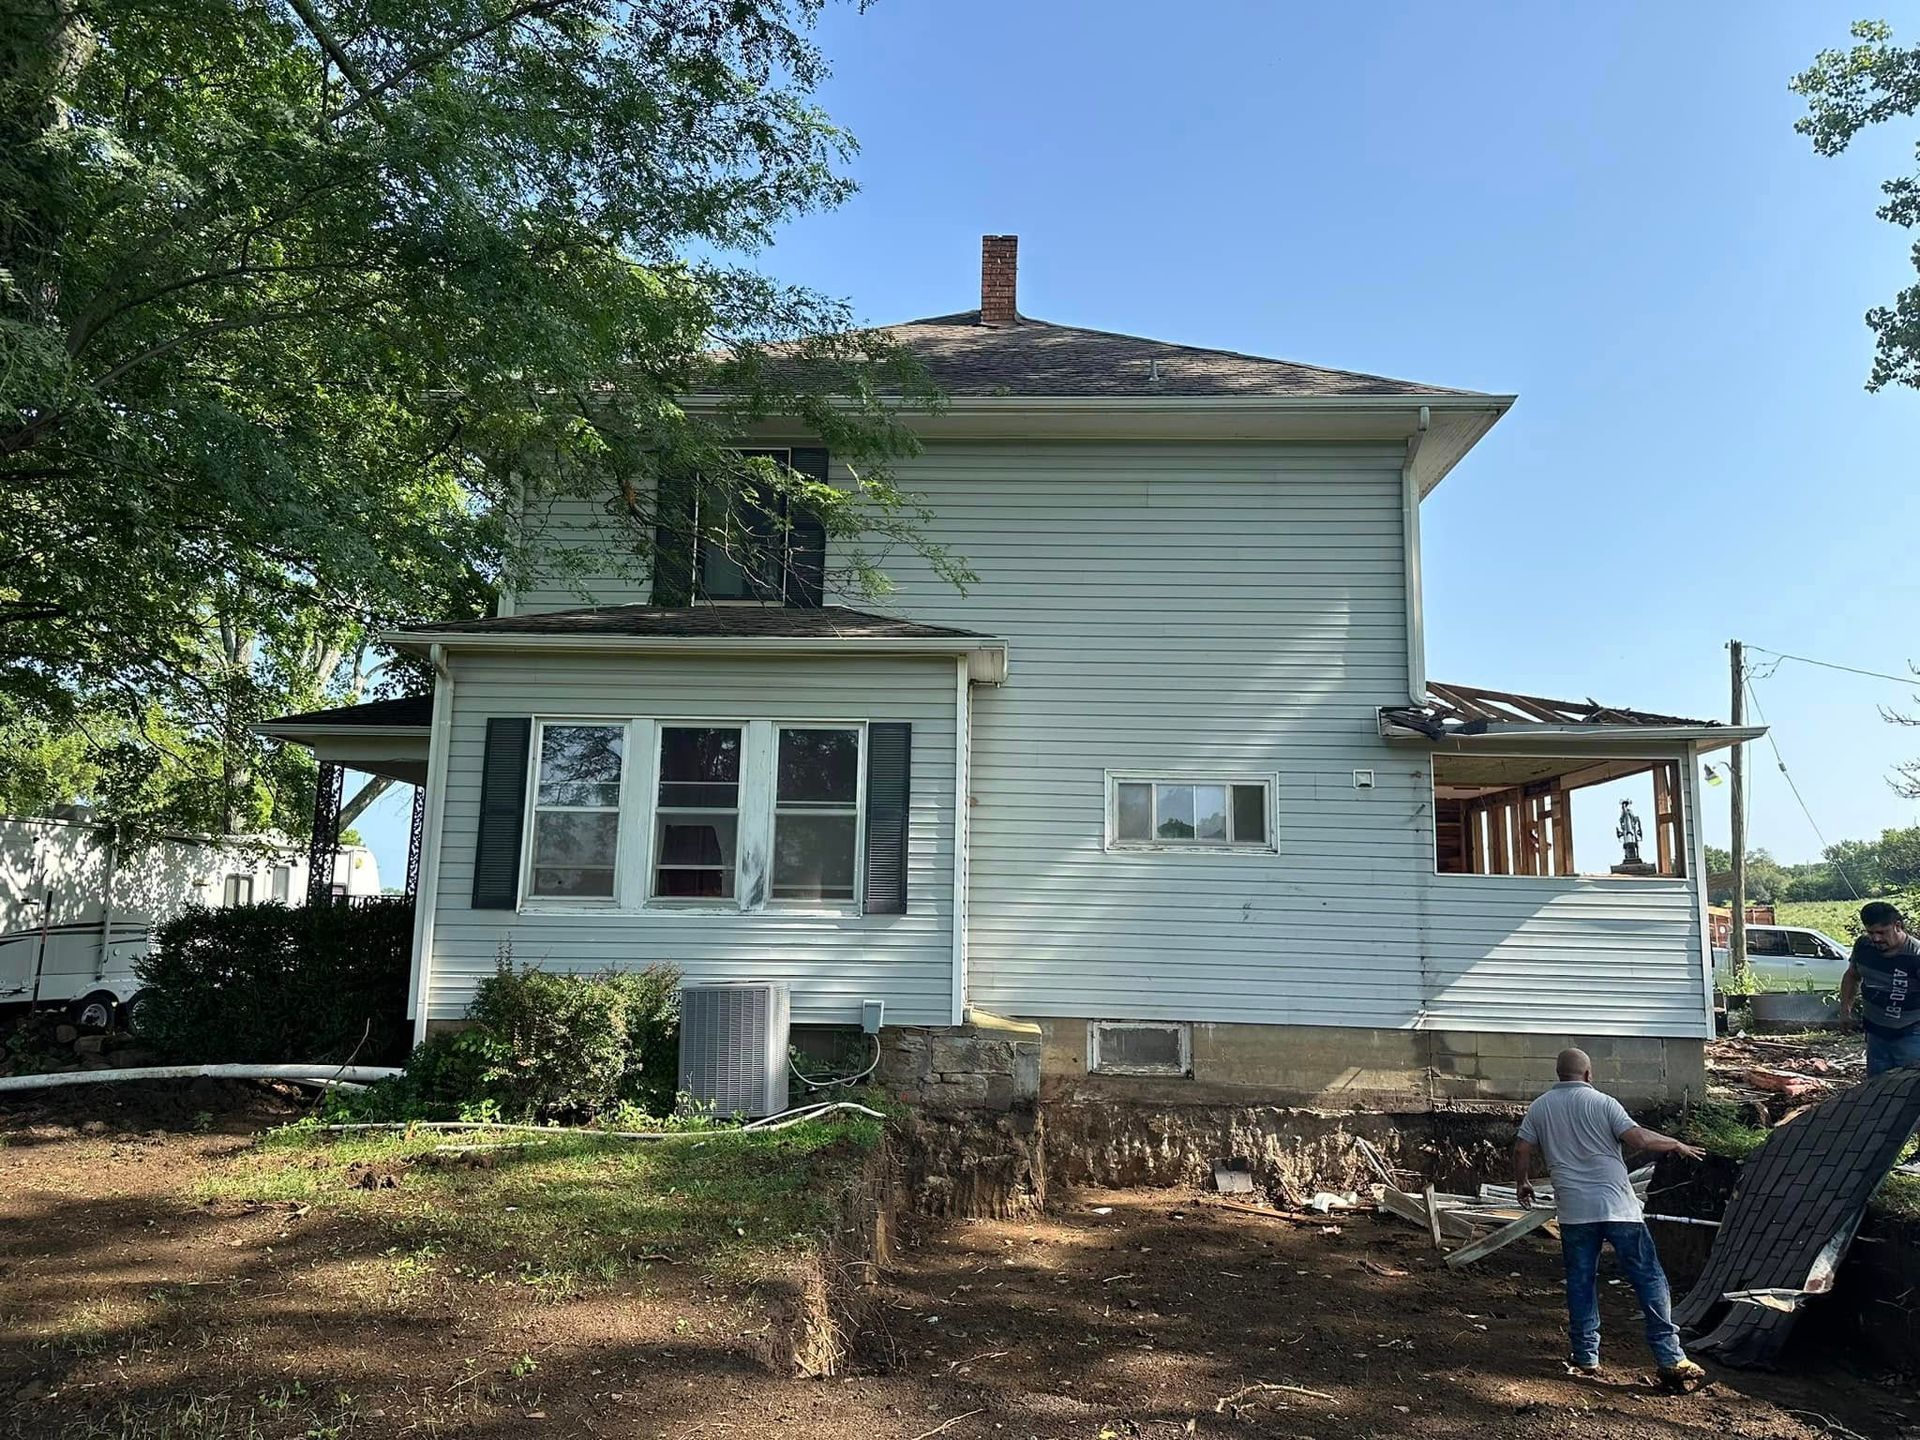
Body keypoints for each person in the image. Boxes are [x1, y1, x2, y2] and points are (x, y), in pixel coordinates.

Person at [1513, 1048, 1708, 1390]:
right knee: (1648, 1278)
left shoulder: (1540, 1107)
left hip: (1574, 1212)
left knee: (1581, 1281)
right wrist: (1676, 1144)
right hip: (1618, 1208)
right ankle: (1670, 1357)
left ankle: (1586, 1356)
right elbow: (1638, 1138)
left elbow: (1521, 1148)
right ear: (1589, 1074)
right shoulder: (1604, 1103)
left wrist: (1523, 1182)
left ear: (1558, 1074)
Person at [1838, 902, 1920, 1076]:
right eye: (1870, 932)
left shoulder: (1916, 955)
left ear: (1897, 926)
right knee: (1876, 1088)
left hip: (1911, 1034)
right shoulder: (1863, 946)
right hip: (1876, 1034)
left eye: (1881, 932)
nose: (1876, 939)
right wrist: (1845, 1010)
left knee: (1909, 1088)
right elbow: (1852, 975)